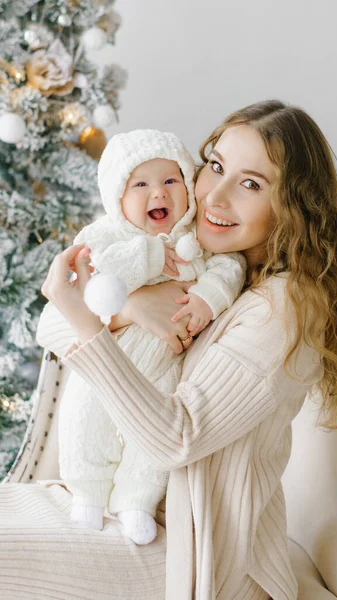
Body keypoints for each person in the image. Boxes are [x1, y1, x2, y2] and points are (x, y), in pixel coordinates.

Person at [0, 100, 337, 600]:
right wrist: (130, 308)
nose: (215, 196)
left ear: (293, 206)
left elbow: (175, 439)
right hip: (117, 507)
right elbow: (53, 323)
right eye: (215, 167)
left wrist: (93, 322)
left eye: (251, 184)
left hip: (197, 552)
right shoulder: (206, 263)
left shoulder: (282, 308)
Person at [36, 129, 246, 543]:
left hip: (163, 371)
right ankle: (88, 495)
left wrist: (206, 298)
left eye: (171, 181)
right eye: (141, 184)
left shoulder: (199, 243)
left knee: (147, 451)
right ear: (117, 197)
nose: (159, 194)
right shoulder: (106, 236)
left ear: (188, 186)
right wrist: (143, 267)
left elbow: (230, 269)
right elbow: (91, 281)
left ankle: (136, 501)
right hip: (104, 363)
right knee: (85, 423)